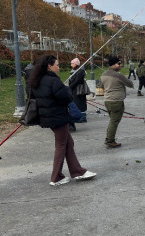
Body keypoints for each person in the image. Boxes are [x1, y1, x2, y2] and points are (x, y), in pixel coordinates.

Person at [28, 54, 96, 186]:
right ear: (49, 66)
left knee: (68, 143)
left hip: (49, 117)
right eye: (57, 65)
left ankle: (77, 171)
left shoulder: (37, 80)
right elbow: (66, 97)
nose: (58, 67)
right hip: (58, 117)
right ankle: (56, 177)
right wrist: (66, 89)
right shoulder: (53, 80)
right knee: (61, 146)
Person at [99, 56, 134, 149]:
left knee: (112, 121)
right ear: (113, 64)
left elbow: (101, 85)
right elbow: (130, 84)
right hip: (116, 101)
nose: (120, 65)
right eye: (119, 63)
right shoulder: (119, 75)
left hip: (107, 101)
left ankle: (109, 138)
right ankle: (110, 141)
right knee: (114, 122)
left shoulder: (103, 75)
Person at [68, 58, 87, 127]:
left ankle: (82, 117)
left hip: (79, 90)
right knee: (77, 103)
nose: (71, 65)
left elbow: (77, 81)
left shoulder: (80, 71)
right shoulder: (75, 71)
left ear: (76, 64)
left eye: (72, 63)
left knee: (80, 103)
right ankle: (79, 116)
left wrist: (70, 87)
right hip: (75, 90)